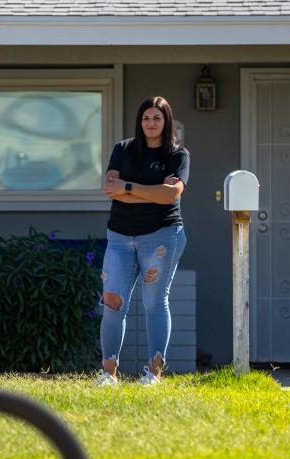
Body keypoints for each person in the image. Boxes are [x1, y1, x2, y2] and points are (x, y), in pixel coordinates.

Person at [97, 96, 189, 386]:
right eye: (146, 118)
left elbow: (170, 195)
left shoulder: (177, 155)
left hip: (161, 236)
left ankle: (153, 372)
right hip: (120, 237)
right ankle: (108, 373)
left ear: (166, 122)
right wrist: (151, 191)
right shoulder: (123, 149)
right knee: (112, 302)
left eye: (157, 118)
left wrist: (129, 188)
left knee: (154, 303)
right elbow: (110, 189)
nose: (151, 123)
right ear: (140, 121)